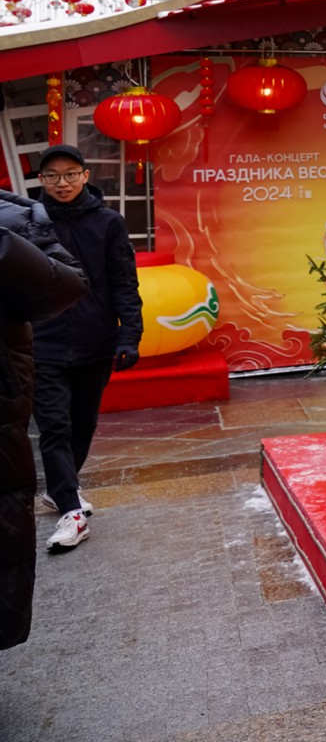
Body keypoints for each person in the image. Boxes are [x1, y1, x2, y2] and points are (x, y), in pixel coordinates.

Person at [30, 144, 142, 555]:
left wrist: (129, 334)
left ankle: (63, 491)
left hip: (95, 339)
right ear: (41, 180)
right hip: (42, 340)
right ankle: (71, 512)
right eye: (53, 176)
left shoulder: (109, 223)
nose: (63, 183)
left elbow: (124, 282)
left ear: (85, 175)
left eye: (71, 174)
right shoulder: (28, 221)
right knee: (54, 426)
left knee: (83, 423)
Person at [0, 194, 87, 650]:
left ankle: (68, 494)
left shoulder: (12, 216)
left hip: (71, 349)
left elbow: (67, 284)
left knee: (72, 426)